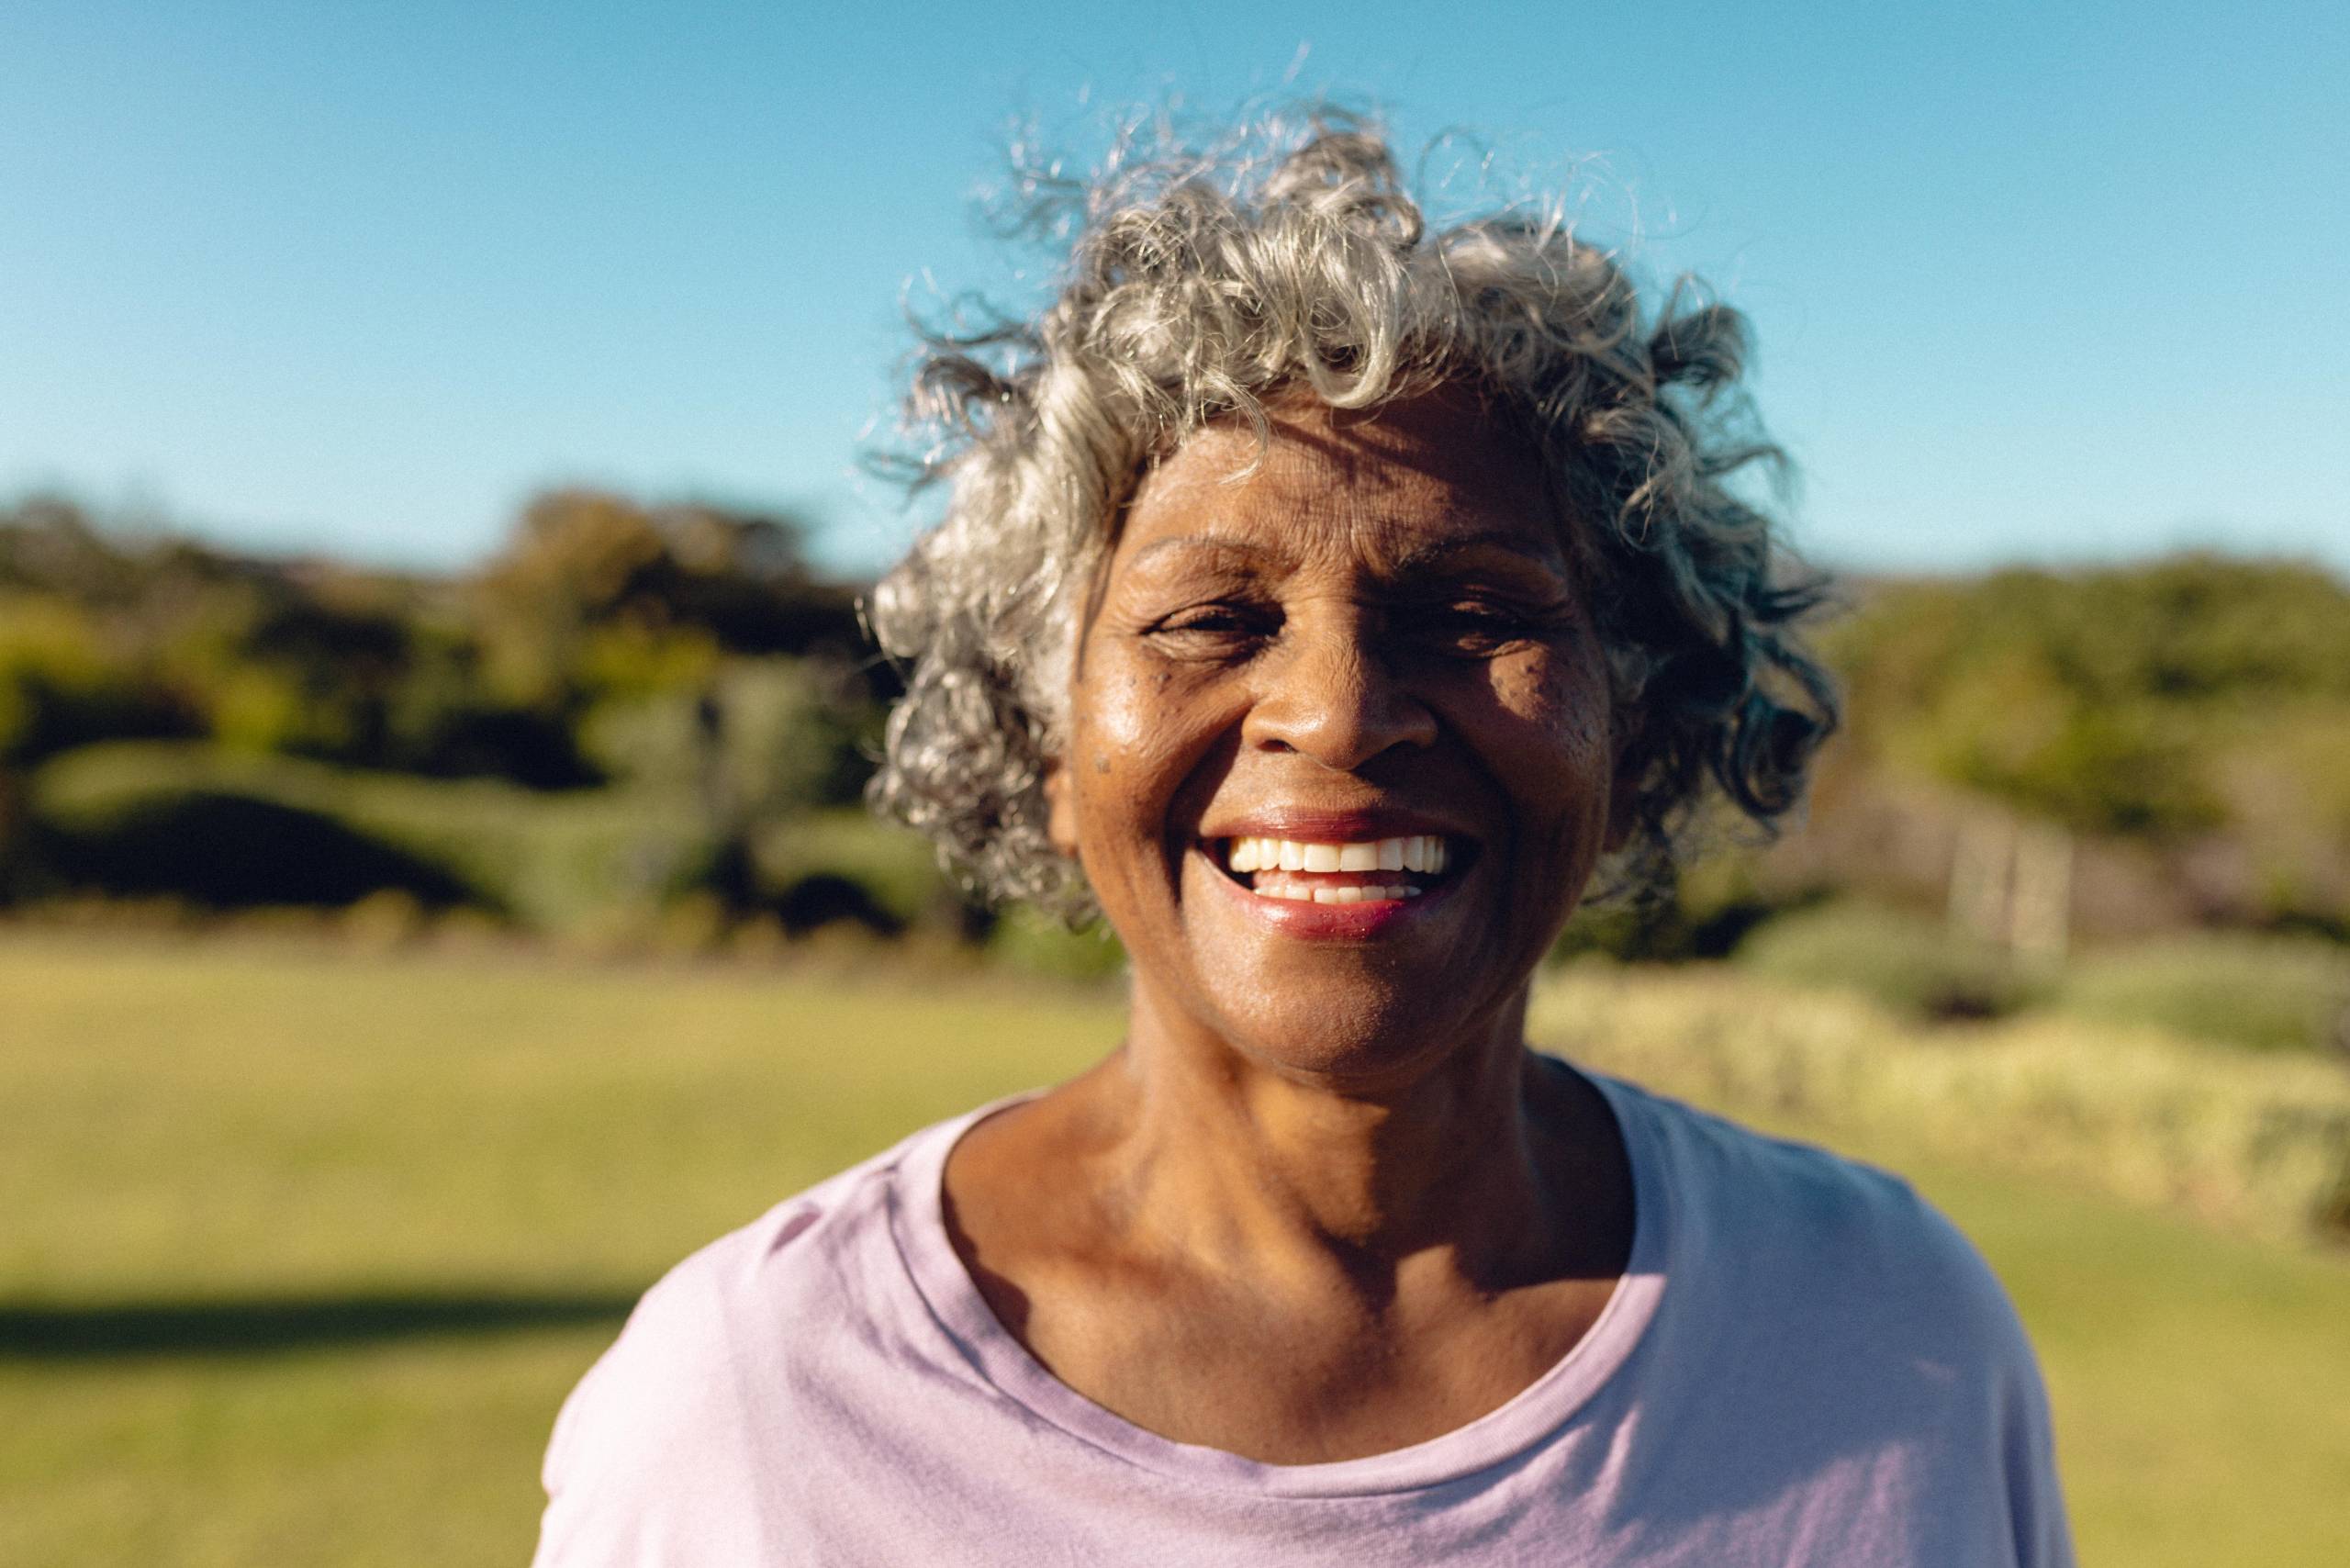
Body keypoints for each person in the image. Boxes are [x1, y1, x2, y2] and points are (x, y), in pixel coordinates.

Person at [532, 112, 2074, 1565]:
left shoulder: (1890, 1340)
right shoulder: (760, 1411)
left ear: (1636, 719)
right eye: (1211, 618)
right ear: (1049, 741)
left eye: (1477, 615)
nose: (1338, 718)